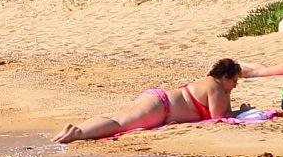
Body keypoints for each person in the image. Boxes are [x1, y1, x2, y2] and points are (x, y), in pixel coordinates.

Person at [54, 59, 242, 144]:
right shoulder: (216, 88)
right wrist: (241, 112)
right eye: (234, 81)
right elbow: (220, 118)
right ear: (224, 77)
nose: (235, 86)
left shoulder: (210, 84)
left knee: (116, 119)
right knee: (118, 124)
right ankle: (77, 133)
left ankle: (75, 129)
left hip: (159, 101)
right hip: (162, 108)